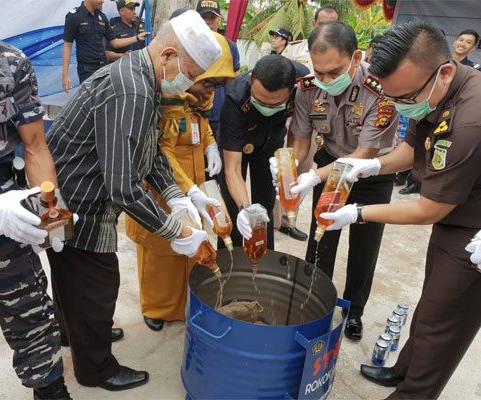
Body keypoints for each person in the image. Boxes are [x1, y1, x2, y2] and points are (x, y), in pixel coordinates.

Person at [45, 10, 222, 391]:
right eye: (190, 73)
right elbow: (124, 186)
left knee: (72, 278)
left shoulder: (143, 79)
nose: (190, 85)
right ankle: (95, 368)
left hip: (83, 190)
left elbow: (149, 150)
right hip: (78, 198)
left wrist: (181, 195)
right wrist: (175, 230)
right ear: (169, 55)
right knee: (96, 283)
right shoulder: (134, 89)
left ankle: (72, 333)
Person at [319, 20, 481, 399]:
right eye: (393, 97)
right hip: (458, 214)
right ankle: (404, 371)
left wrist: (358, 213)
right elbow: (411, 149)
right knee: (430, 304)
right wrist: (373, 164)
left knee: (442, 322)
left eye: (405, 98)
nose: (399, 107)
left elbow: (428, 209)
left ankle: (414, 392)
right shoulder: (433, 92)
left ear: (444, 72)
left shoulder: (474, 118)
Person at [272, 21, 398, 341]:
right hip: (330, 163)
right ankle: (315, 299)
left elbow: (364, 151)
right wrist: (289, 169)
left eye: (334, 71)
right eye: (319, 71)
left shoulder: (381, 89)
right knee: (321, 236)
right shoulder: (308, 87)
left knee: (364, 244)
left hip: (372, 171)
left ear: (355, 57)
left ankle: (354, 308)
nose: (325, 80)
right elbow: (301, 138)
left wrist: (313, 176)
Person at [0, 26, 70, 399]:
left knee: (30, 311)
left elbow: (35, 143)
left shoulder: (7, 61)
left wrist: (49, 212)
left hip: (7, 207)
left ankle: (50, 390)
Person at [126, 28, 235, 331]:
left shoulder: (196, 97)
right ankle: (156, 308)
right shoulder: (167, 97)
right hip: (166, 187)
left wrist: (211, 143)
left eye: (217, 83)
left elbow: (200, 121)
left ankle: (183, 306)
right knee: (161, 254)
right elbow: (163, 154)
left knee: (190, 249)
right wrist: (187, 189)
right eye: (209, 81)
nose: (211, 90)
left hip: (194, 180)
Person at [217, 55, 309, 249]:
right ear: (251, 79)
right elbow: (232, 170)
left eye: (274, 105)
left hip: (271, 143)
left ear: (292, 89)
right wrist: (244, 208)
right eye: (260, 101)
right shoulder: (234, 97)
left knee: (265, 204)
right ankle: (231, 263)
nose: (266, 108)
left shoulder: (303, 81)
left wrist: (292, 164)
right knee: (234, 207)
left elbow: (299, 133)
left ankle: (264, 259)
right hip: (237, 142)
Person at [276, 5, 339, 241]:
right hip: (291, 117)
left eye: (333, 24)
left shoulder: (340, 51)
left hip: (320, 124)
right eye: (323, 24)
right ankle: (272, 217)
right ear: (314, 24)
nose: (327, 29)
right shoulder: (295, 50)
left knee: (303, 172)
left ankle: (287, 220)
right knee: (282, 168)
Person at [61, 0, 151, 91]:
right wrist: (65, 75)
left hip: (103, 68)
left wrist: (137, 38)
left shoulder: (102, 17)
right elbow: (67, 46)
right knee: (91, 102)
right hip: (87, 69)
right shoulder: (74, 16)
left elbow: (115, 42)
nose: (103, 1)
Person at [196, 0, 241, 142]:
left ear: (219, 20)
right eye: (204, 17)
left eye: (212, 18)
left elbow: (235, 80)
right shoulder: (187, 43)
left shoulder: (230, 46)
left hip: (218, 113)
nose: (208, 22)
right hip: (192, 110)